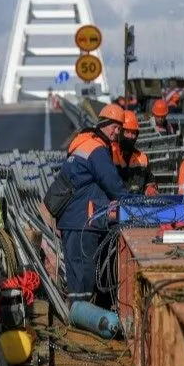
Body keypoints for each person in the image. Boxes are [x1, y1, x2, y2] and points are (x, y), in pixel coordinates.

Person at [56, 103, 129, 304]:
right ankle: (83, 322)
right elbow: (112, 182)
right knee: (84, 273)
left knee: (76, 272)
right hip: (83, 221)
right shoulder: (97, 150)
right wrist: (132, 201)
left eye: (120, 128)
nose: (117, 132)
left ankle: (78, 314)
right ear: (104, 124)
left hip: (71, 219)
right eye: (114, 126)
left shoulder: (82, 143)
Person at [112, 111, 158, 195]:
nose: (130, 136)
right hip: (114, 205)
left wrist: (150, 188)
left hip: (136, 205)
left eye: (133, 133)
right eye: (127, 132)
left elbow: (149, 179)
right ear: (120, 132)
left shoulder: (142, 158)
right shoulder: (109, 152)